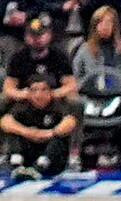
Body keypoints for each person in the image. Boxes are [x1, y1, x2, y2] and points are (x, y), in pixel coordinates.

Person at [2, 9, 81, 175]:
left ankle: (74, 153)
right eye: (33, 35)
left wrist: (50, 94)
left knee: (77, 103)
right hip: (26, 101)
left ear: (49, 35)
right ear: (26, 36)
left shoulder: (59, 56)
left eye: (41, 35)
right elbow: (9, 87)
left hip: (53, 99)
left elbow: (71, 86)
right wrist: (27, 95)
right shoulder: (19, 57)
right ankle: (6, 151)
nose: (37, 39)